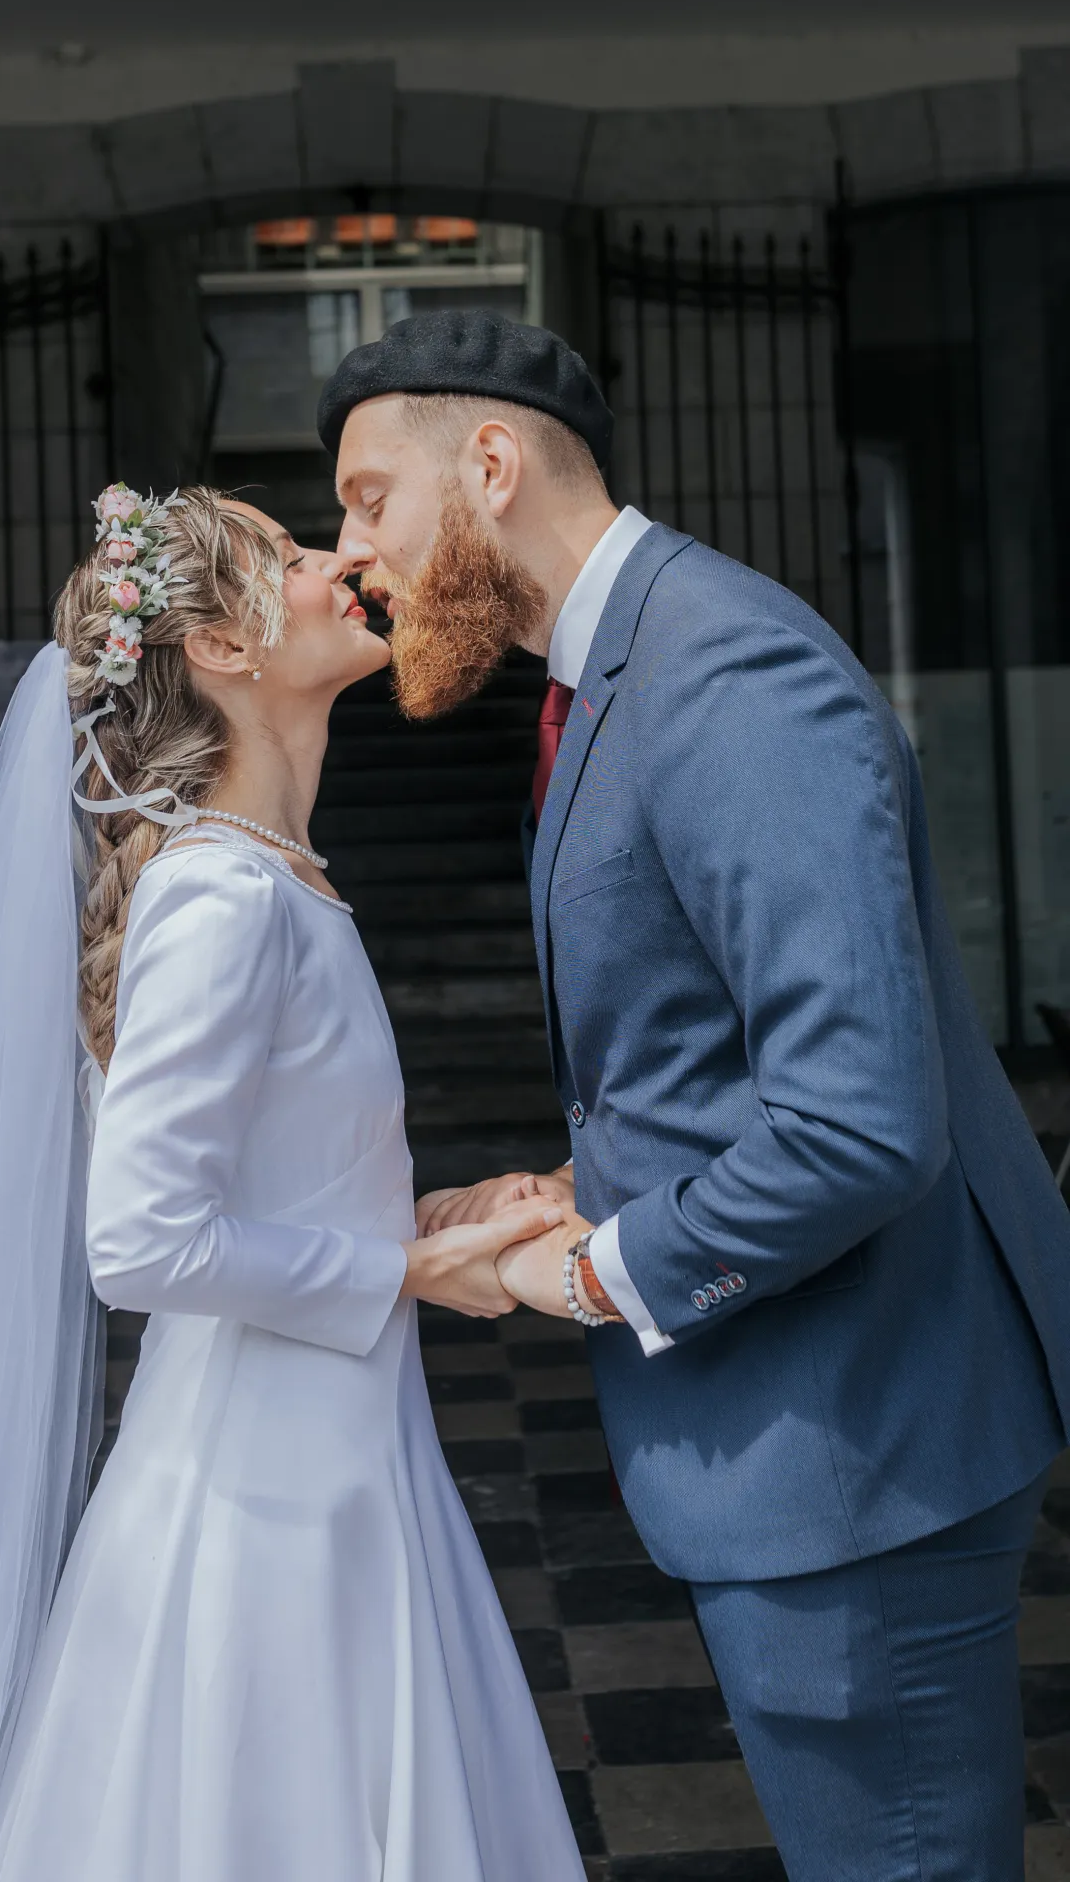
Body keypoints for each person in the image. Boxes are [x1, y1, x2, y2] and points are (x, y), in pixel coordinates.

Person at [319, 308, 1070, 1878]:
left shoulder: (724, 670)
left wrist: (588, 1270)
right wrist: (578, 1185)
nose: (352, 552)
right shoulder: (616, 670)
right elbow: (714, 1054)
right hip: (809, 1450)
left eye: (368, 498)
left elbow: (857, 1120)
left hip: (861, 1458)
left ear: (494, 463)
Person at [0, 483, 587, 1882]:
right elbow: (142, 1243)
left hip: (329, 1460)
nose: (343, 560)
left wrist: (421, 1222)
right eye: (291, 555)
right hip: (259, 1505)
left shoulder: (274, 877)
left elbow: (245, 1197)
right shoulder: (224, 899)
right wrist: (396, 1273)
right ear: (218, 647)